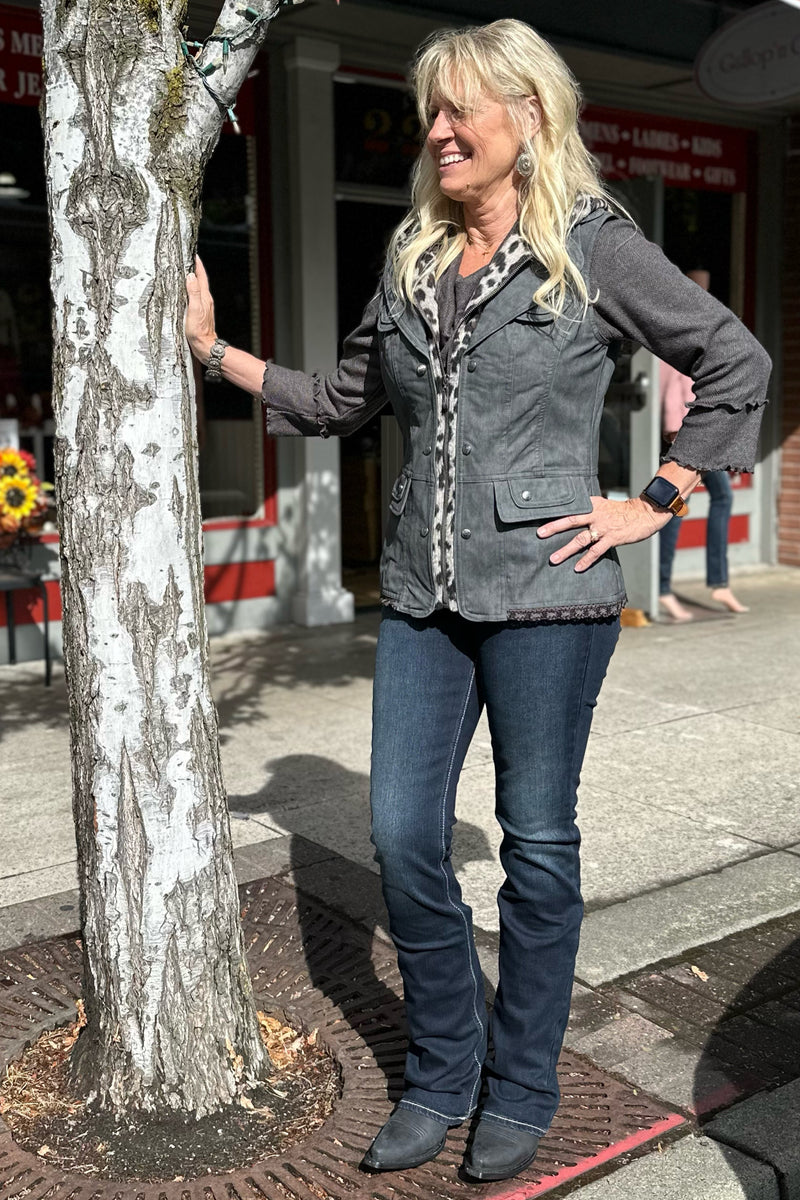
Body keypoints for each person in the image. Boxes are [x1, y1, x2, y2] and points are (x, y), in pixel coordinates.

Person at [185, 19, 771, 1182]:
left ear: (529, 120)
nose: (438, 132)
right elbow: (341, 396)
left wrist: (653, 497)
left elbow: (732, 362)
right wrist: (214, 354)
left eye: (462, 111)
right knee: (404, 840)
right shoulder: (411, 254)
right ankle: (442, 1074)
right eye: (431, 113)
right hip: (420, 595)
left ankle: (523, 1085)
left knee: (537, 850)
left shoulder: (594, 246)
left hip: (550, 596)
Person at [658, 268, 749, 621]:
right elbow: (668, 379)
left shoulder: (698, 324)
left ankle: (717, 582)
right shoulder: (678, 324)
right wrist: (672, 428)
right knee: (675, 505)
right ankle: (664, 589)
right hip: (681, 433)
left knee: (711, 499)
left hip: (697, 431)